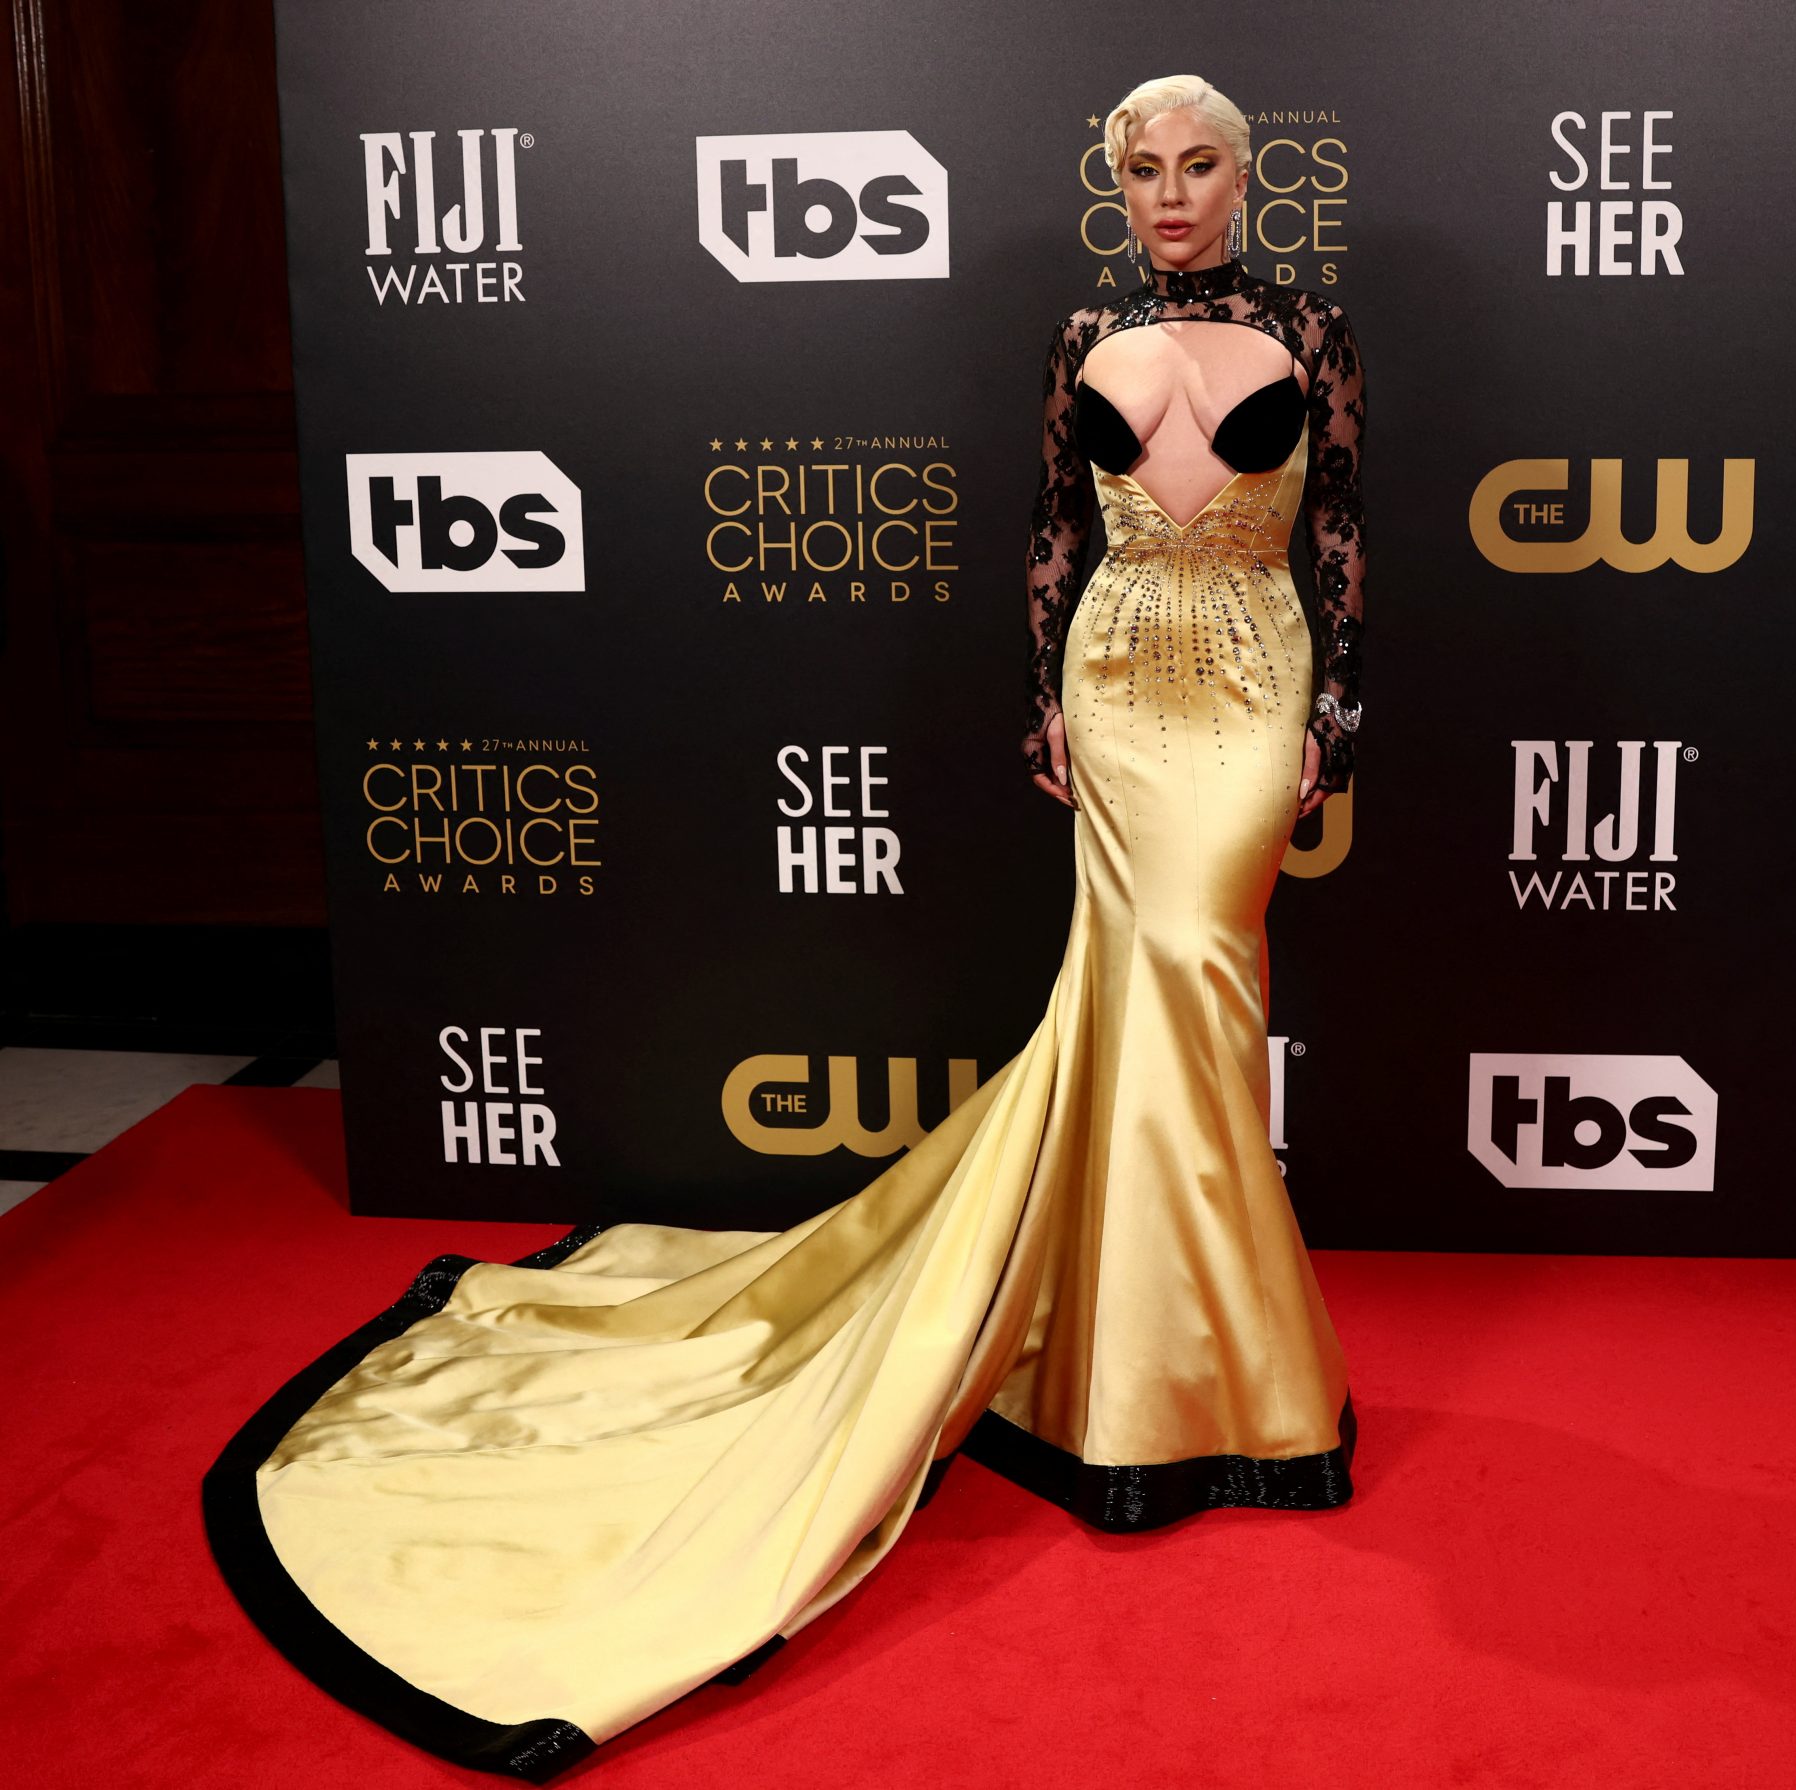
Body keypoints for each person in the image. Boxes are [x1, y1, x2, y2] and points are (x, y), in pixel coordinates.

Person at [201, 73, 1368, 1784]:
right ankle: (1180, 1384)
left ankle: (1181, 1362)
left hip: (1256, 678)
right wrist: (1042, 705)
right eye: (1145, 168)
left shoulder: (1315, 333)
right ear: (1116, 184)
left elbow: (1337, 532)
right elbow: (1055, 529)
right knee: (1140, 992)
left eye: (1201, 165)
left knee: (1197, 970)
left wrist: (1339, 714)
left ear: (1246, 178)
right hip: (1117, 679)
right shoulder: (1080, 340)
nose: (1173, 192)